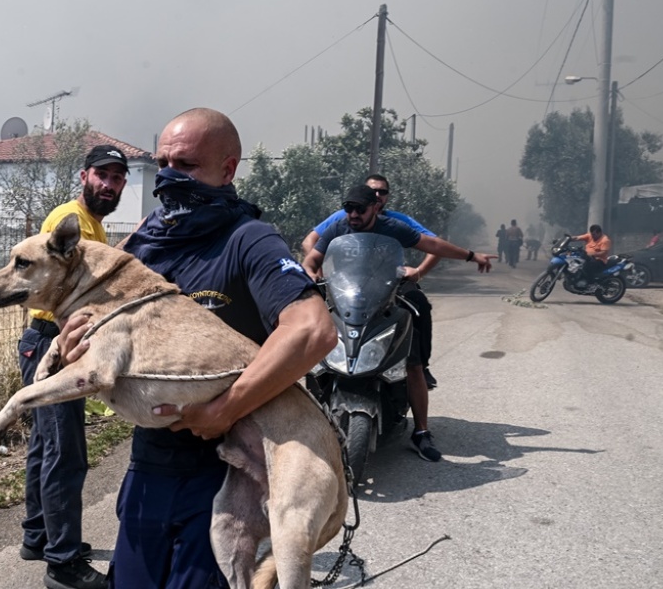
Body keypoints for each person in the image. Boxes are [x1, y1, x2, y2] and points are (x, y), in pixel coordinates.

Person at [55, 108, 335, 588]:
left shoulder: (249, 240)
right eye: (163, 162)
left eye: (185, 166)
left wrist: (226, 409)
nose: (168, 177)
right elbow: (92, 325)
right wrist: (70, 343)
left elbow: (313, 331)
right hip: (149, 464)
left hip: (225, 469)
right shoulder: (145, 240)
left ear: (227, 170)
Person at [302, 185, 495, 463]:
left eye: (360, 209)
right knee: (312, 352)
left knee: (412, 361)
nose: (353, 214)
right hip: (345, 301)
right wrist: (310, 273)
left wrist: (470, 255)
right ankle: (308, 420)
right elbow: (312, 258)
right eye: (349, 208)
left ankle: (421, 432)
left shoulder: (392, 227)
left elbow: (432, 245)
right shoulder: (338, 228)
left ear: (375, 207)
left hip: (386, 299)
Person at [17, 144, 129, 589]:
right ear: (84, 176)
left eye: (118, 178)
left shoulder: (94, 226)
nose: (110, 184)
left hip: (45, 341)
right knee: (66, 454)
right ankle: (63, 565)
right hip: (52, 342)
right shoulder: (70, 222)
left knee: (46, 445)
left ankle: (39, 536)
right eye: (102, 174)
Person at [301, 174, 442, 392]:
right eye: (371, 191)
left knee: (418, 304)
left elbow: (435, 244)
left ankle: (420, 365)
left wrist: (419, 272)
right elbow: (310, 241)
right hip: (345, 285)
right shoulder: (343, 217)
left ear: (384, 198)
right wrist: (318, 270)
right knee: (310, 309)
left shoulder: (397, 221)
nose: (377, 195)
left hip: (387, 285)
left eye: (382, 192)